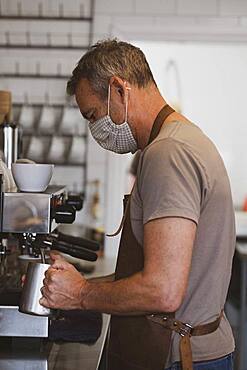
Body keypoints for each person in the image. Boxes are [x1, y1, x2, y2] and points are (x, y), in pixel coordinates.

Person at [40, 39, 235, 370]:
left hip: (181, 358)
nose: (94, 130)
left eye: (93, 115)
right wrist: (75, 284)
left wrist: (83, 294)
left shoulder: (167, 154)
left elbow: (163, 291)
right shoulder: (184, 140)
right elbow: (160, 275)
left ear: (119, 90)